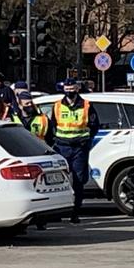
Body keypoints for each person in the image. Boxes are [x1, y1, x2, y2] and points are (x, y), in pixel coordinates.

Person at [48, 78, 99, 223]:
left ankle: (75, 212)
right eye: (67, 89)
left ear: (77, 89)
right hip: (61, 147)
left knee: (78, 180)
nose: (69, 92)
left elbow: (94, 125)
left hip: (79, 148)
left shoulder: (87, 105)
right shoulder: (57, 106)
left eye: (72, 89)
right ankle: (57, 212)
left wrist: (86, 142)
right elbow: (52, 126)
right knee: (59, 180)